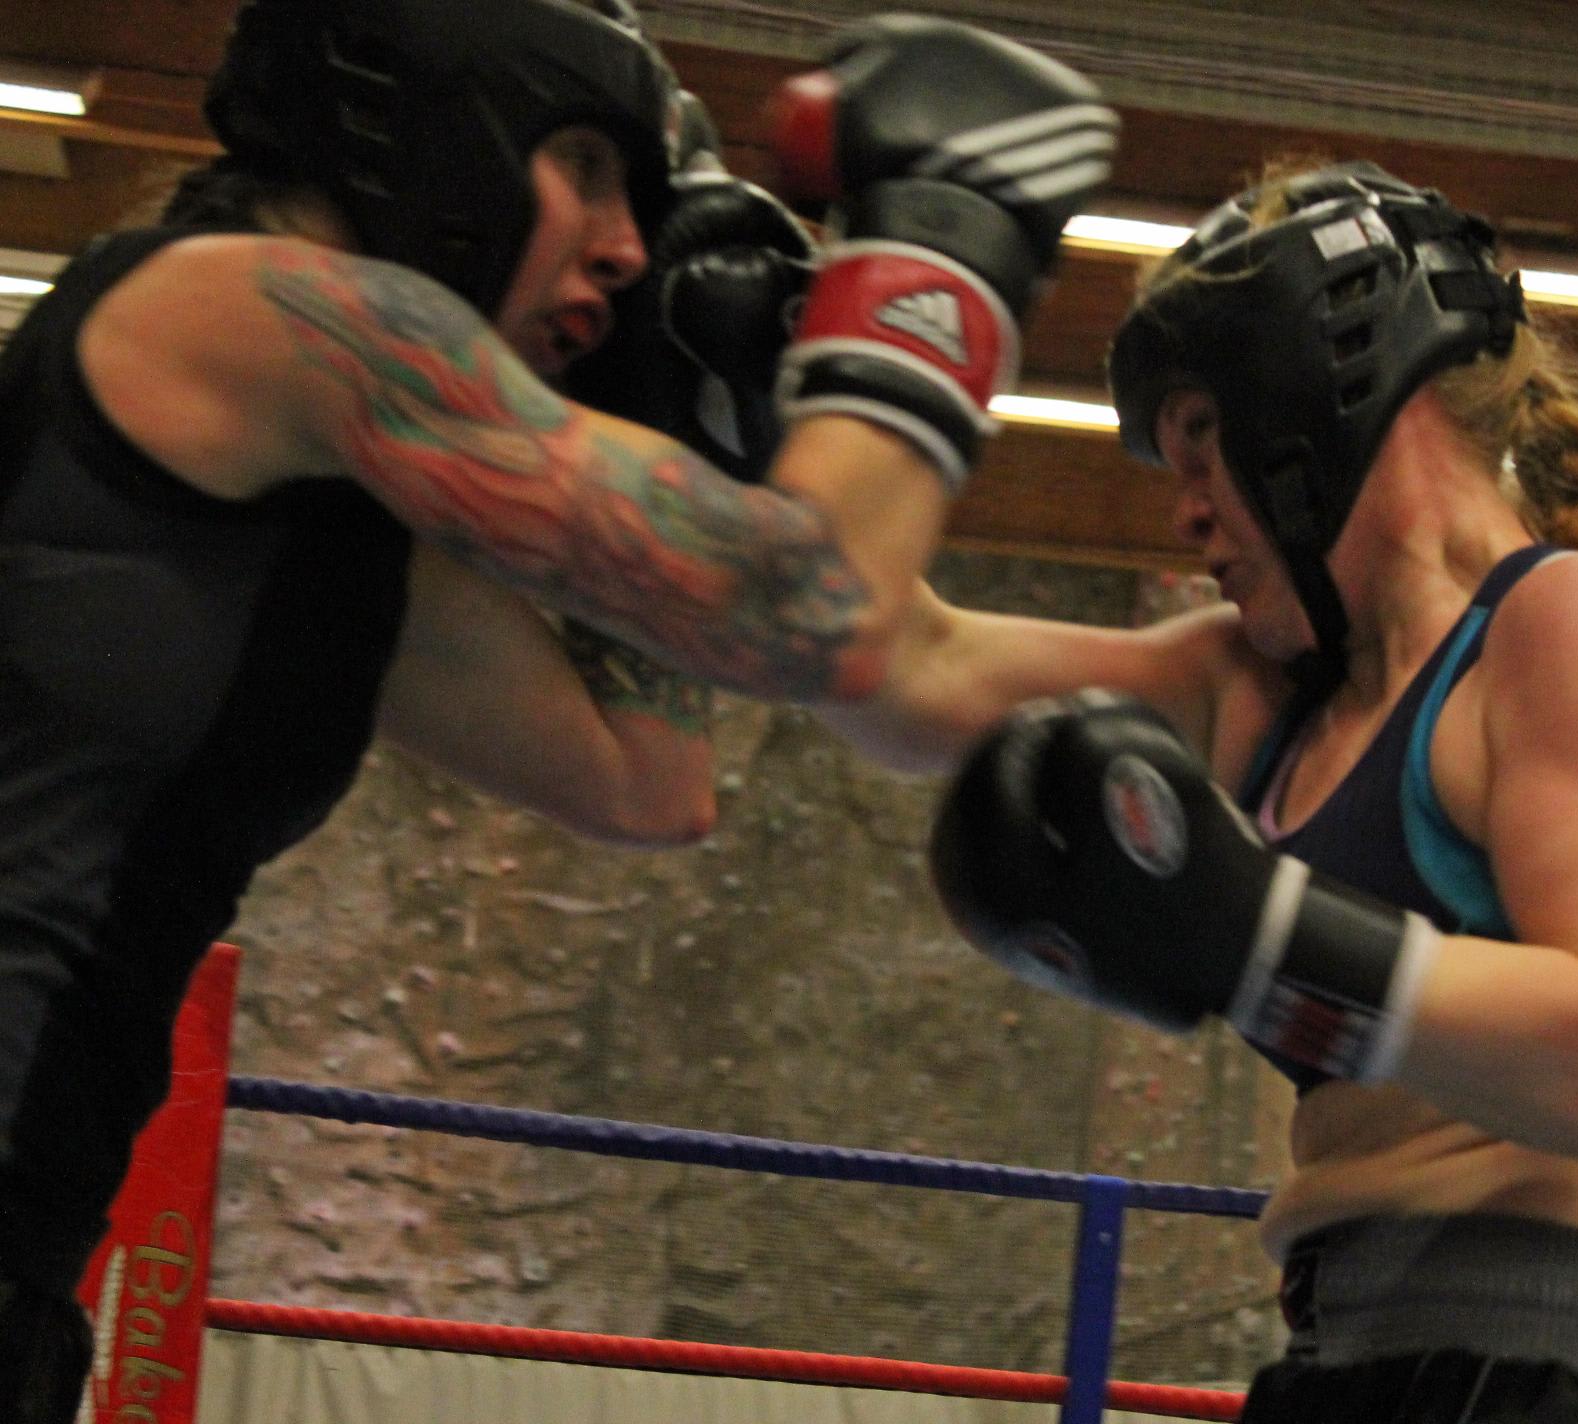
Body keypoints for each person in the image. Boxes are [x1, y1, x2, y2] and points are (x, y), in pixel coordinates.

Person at [0, 1, 1116, 1417]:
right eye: (587, 167)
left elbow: (645, 776)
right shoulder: (268, 311)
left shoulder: (305, 514)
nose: (629, 248)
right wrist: (946, 255)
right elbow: (797, 601)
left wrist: (674, 403)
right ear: (436, 117)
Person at [826, 161, 1578, 1422]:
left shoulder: (1575, 628)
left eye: (1203, 443)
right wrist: (871, 323)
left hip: (1554, 1384)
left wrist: (1258, 938)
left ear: (1322, 394)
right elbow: (889, 663)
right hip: (1338, 1369)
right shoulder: (1259, 689)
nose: (1188, 512)